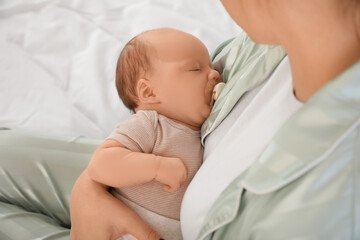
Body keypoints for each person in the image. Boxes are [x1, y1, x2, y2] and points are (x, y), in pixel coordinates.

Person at [70, 0, 360, 239]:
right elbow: (112, 153)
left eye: (205, 68)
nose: (213, 74)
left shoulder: (335, 184)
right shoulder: (261, 46)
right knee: (21, 157)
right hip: (128, 202)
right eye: (197, 69)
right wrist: (88, 192)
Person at [83, 28, 221, 240]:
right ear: (148, 92)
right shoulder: (151, 124)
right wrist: (157, 167)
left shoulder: (202, 133)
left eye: (211, 66)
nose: (214, 74)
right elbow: (100, 164)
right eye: (195, 69)